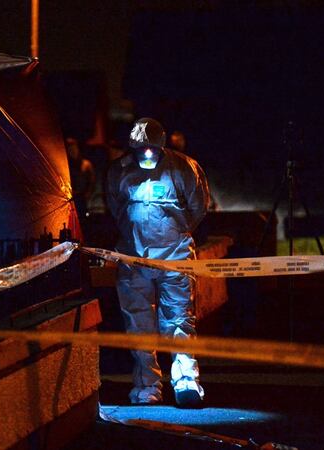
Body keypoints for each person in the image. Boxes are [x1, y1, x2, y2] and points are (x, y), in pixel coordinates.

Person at [106, 118, 210, 407]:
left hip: (174, 257)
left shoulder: (183, 167)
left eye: (151, 149)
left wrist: (174, 234)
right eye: (141, 150)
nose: (147, 155)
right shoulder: (120, 171)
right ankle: (146, 385)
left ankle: (186, 380)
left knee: (179, 319)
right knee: (138, 322)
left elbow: (199, 206)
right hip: (133, 257)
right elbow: (116, 208)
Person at [65, 137, 96, 219]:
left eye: (72, 145)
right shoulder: (67, 166)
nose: (71, 148)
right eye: (69, 146)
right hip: (72, 197)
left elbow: (92, 181)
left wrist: (88, 194)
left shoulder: (86, 164)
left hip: (82, 198)